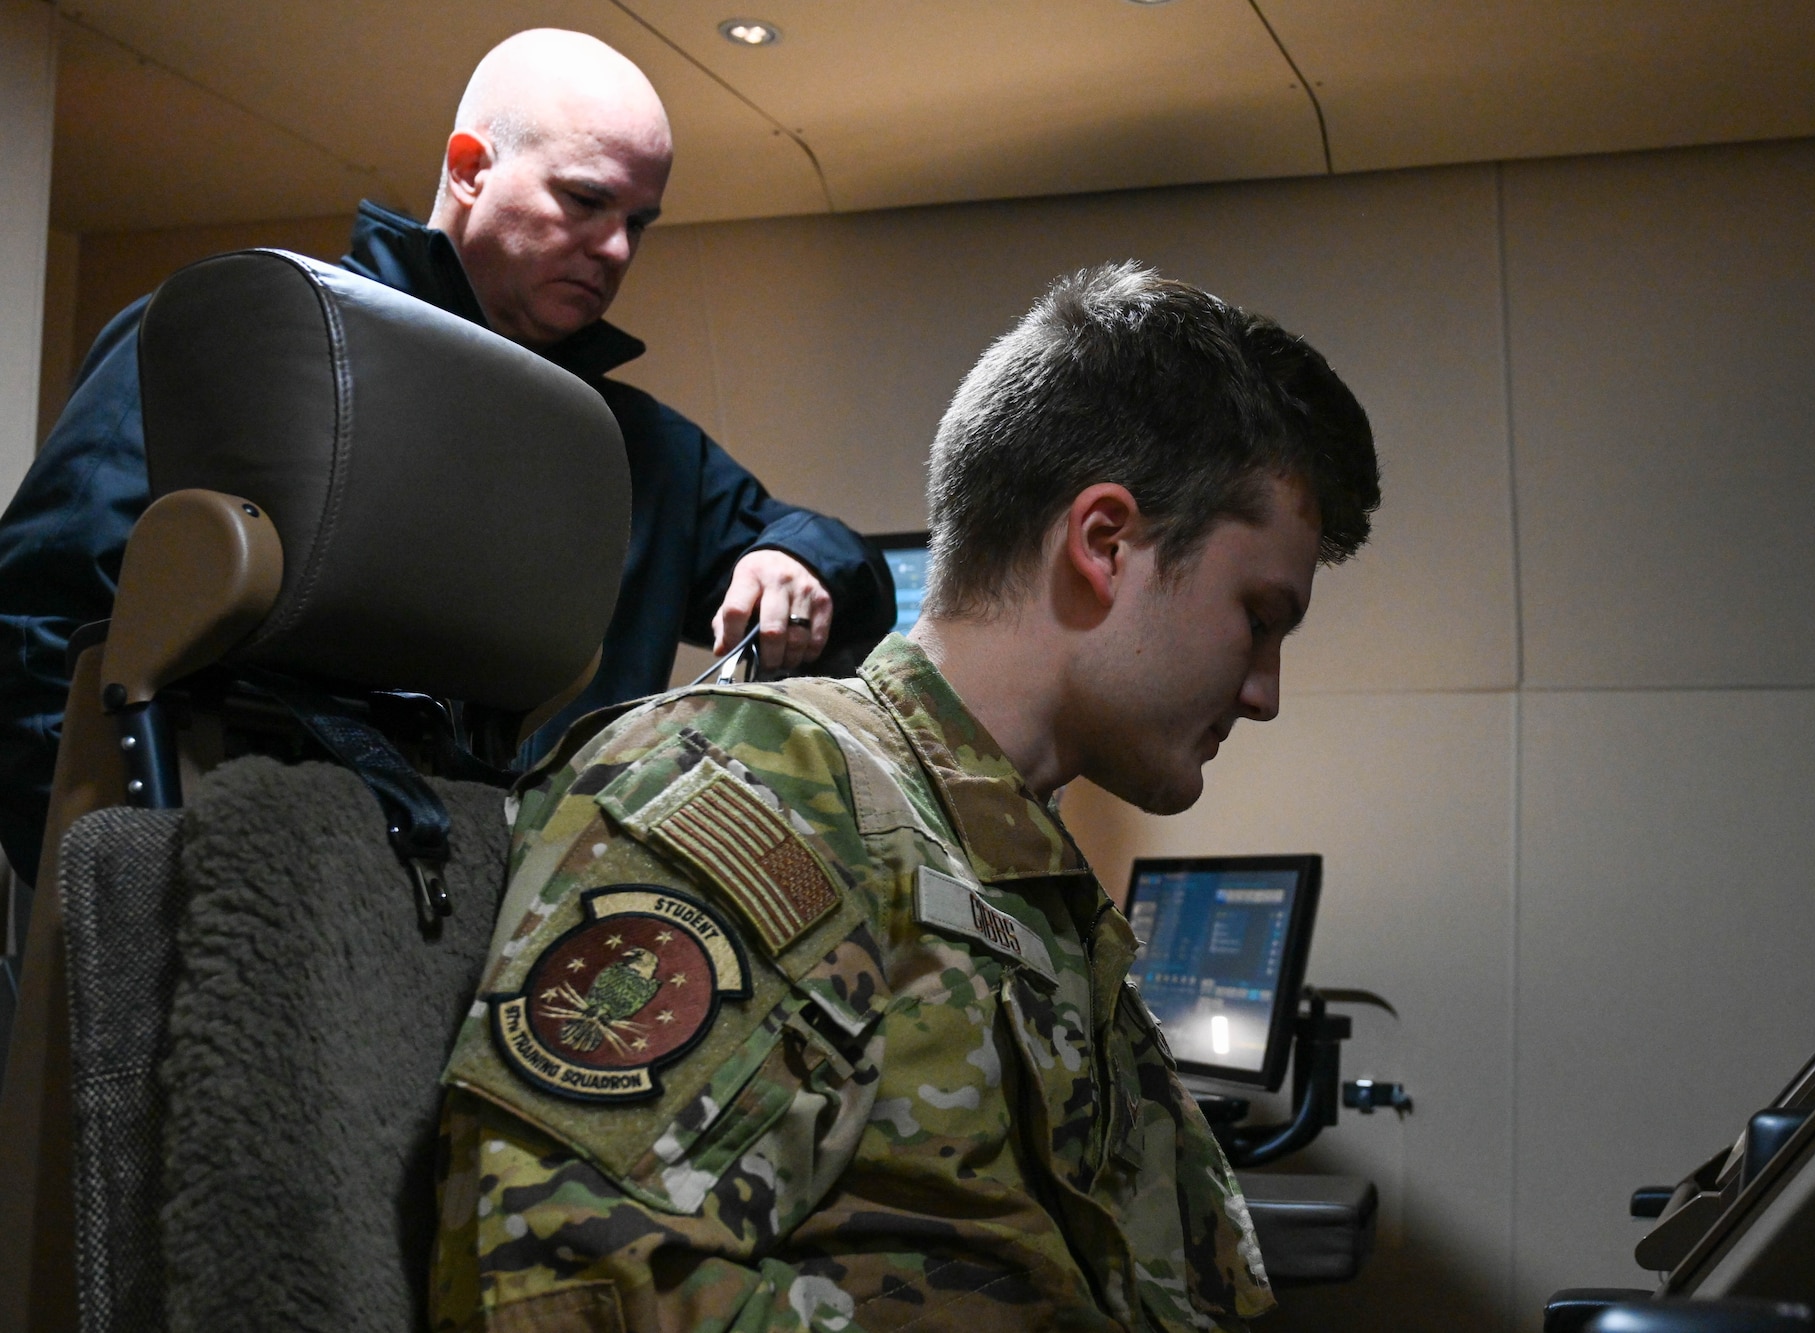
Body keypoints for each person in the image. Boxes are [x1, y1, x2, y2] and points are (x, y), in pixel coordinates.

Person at [431, 262, 1381, 1331]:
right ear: (1104, 544)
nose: (1263, 694)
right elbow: (565, 1282)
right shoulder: (770, 791)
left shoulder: (1022, 878)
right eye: (1257, 617)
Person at [0, 29, 891, 885]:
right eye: (584, 201)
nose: (616, 250)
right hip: (267, 928)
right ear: (470, 169)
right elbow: (39, 629)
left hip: (538, 961)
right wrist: (115, 915)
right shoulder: (250, 346)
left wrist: (793, 555)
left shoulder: (643, 453)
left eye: (640, 222)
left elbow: (847, 574)